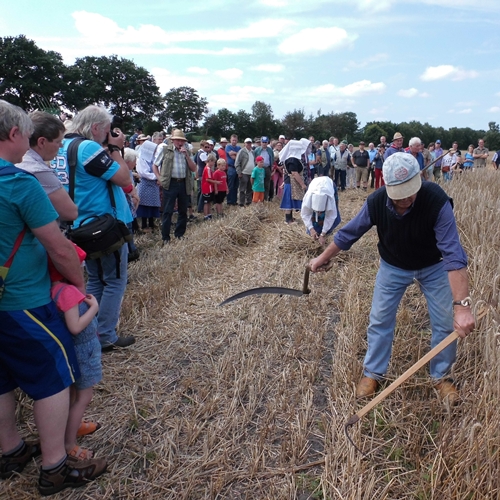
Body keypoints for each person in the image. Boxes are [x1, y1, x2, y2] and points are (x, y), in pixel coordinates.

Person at [0, 100, 107, 495]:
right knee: (53, 380)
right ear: (14, 134)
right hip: (22, 301)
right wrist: (78, 288)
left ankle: (10, 450)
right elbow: (59, 247)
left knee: (3, 380)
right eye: (24, 134)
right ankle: (55, 466)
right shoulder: (17, 182)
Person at [309, 152, 475, 405]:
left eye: (411, 191)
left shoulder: (436, 201)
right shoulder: (376, 202)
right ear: (387, 187)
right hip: (393, 266)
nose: (408, 198)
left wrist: (462, 308)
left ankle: (441, 376)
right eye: (401, 193)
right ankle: (373, 372)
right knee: (380, 319)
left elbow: (453, 254)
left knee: (444, 322)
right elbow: (349, 234)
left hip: (433, 266)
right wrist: (324, 256)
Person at [48, 245, 101, 461]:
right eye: (78, 264)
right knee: (84, 396)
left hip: (70, 352)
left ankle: (74, 425)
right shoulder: (68, 292)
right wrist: (94, 309)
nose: (82, 267)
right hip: (83, 352)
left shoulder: (52, 290)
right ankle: (69, 444)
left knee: (71, 393)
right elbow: (75, 326)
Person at [16, 111, 77, 222]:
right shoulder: (39, 171)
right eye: (58, 141)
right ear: (42, 142)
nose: (61, 145)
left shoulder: (16, 159)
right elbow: (71, 213)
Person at [154, 129, 197, 243]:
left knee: (183, 210)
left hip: (183, 183)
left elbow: (194, 168)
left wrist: (187, 156)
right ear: (173, 141)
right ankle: (165, 237)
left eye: (181, 140)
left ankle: (179, 234)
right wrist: (160, 179)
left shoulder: (187, 151)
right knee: (168, 211)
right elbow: (155, 165)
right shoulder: (165, 150)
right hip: (170, 183)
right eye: (177, 140)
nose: (180, 142)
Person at [300, 176, 340, 246]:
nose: (319, 213)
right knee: (312, 226)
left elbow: (331, 215)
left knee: (327, 216)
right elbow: (305, 213)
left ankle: (327, 230)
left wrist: (323, 234)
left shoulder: (330, 198)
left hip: (328, 185)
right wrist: (311, 229)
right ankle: (315, 231)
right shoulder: (308, 197)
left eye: (321, 211)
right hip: (315, 185)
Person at [279, 139, 309, 224]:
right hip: (291, 183)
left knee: (291, 200)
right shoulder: (292, 159)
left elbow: (286, 172)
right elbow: (294, 173)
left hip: (290, 182)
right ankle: (288, 220)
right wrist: (302, 184)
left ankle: (291, 218)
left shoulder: (290, 158)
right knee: (289, 200)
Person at [136, 136, 161, 233]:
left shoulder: (152, 159)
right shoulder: (142, 159)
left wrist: (158, 176)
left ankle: (151, 223)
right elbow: (144, 173)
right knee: (144, 205)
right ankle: (144, 225)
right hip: (145, 184)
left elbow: (157, 168)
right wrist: (157, 177)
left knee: (152, 205)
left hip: (153, 185)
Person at [235, 138, 255, 206]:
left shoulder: (252, 152)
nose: (249, 144)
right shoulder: (241, 151)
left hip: (251, 173)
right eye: (247, 143)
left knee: (250, 188)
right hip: (244, 173)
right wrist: (239, 172)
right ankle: (241, 202)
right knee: (242, 189)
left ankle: (249, 201)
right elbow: (237, 163)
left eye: (250, 143)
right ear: (244, 144)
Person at [253, 136, 274, 201]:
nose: (264, 144)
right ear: (261, 142)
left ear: (267, 142)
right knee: (258, 183)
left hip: (267, 168)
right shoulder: (257, 150)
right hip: (259, 168)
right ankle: (256, 199)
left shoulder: (270, 150)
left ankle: (264, 198)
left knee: (267, 184)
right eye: (263, 142)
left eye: (265, 142)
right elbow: (254, 159)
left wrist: (271, 167)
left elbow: (272, 158)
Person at [201, 153, 219, 220]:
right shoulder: (208, 169)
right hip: (207, 188)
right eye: (214, 162)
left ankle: (209, 214)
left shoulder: (208, 168)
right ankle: (206, 215)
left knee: (209, 202)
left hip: (209, 188)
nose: (214, 163)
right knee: (206, 202)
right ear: (210, 161)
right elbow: (208, 179)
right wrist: (216, 182)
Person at [225, 134, 241, 205]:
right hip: (231, 167)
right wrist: (237, 155)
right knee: (230, 185)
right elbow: (232, 156)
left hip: (238, 168)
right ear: (230, 140)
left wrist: (235, 154)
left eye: (235, 140)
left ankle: (234, 201)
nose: (234, 141)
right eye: (233, 140)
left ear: (237, 140)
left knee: (236, 185)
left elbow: (239, 157)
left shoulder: (239, 147)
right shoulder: (228, 147)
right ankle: (229, 201)